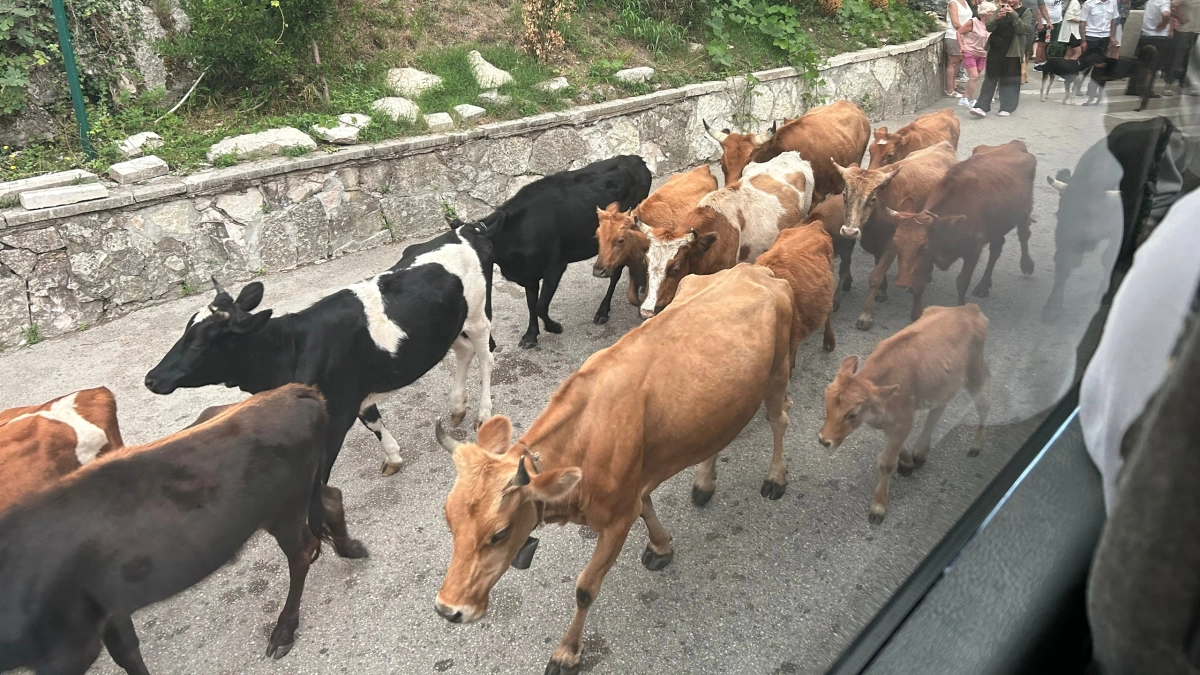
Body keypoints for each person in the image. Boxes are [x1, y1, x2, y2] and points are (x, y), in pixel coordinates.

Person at [971, 0, 1033, 116]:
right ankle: (982, 107)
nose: (1010, 1)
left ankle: (1007, 107)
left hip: (1012, 49)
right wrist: (996, 18)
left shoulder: (1026, 12)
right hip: (996, 47)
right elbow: (989, 27)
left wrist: (1014, 14)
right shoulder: (999, 9)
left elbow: (1023, 29)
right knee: (990, 77)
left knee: (1009, 78)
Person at [1128, 0, 1173, 97]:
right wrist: (1164, 24)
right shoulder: (1164, 2)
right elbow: (1166, 14)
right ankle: (1146, 89)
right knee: (1153, 65)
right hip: (1158, 36)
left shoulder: (1150, 1)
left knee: (1140, 63)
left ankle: (1132, 87)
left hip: (1145, 34)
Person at [1082, 0, 1120, 103]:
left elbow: (1114, 20)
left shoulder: (1112, 2)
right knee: (1086, 65)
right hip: (1091, 36)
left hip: (1104, 37)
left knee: (1100, 67)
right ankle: (1078, 86)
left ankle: (1093, 92)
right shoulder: (1089, 3)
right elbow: (1083, 22)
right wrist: (1083, 40)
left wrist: (1112, 36)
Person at [960, 2, 997, 108]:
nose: (994, 14)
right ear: (985, 13)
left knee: (975, 77)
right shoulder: (973, 22)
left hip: (982, 54)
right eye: (992, 12)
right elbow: (959, 32)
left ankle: (964, 98)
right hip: (970, 51)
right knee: (974, 76)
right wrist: (961, 46)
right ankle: (971, 101)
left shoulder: (991, 25)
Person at [1164, 0, 1199, 95]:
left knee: (1190, 60)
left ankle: (1184, 86)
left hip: (1196, 31)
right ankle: (1168, 84)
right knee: (1177, 58)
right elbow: (1168, 5)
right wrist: (1180, 16)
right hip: (1183, 30)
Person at [946, 0, 973, 97]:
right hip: (953, 36)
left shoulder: (965, 2)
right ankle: (950, 90)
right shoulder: (953, 3)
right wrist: (970, 32)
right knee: (952, 62)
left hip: (963, 37)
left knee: (958, 61)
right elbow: (956, 23)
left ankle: (954, 85)